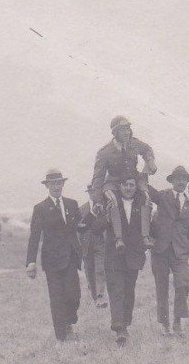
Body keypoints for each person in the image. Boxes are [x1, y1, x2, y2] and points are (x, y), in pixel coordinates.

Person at [25, 168, 83, 341]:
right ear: (47, 186)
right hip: (52, 261)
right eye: (53, 184)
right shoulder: (40, 208)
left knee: (74, 296)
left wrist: (95, 215)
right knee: (57, 298)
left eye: (59, 183)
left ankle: (68, 322)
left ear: (63, 184)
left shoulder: (72, 204)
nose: (56, 187)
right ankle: (61, 337)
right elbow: (34, 236)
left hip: (71, 259)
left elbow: (81, 227)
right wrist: (31, 262)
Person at [147, 166, 189, 336]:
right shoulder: (163, 196)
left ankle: (178, 321)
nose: (180, 182)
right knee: (161, 289)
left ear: (187, 182)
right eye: (177, 179)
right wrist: (142, 171)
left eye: (184, 179)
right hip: (160, 251)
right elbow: (148, 189)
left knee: (183, 283)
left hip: (180, 252)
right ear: (171, 181)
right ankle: (165, 325)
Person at [91, 115, 156, 251]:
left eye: (128, 128)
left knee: (146, 197)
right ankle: (118, 239)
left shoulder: (134, 143)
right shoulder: (105, 152)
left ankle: (145, 236)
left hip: (134, 179)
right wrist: (97, 200)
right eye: (122, 130)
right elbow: (98, 177)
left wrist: (150, 161)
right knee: (113, 200)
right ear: (115, 132)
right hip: (114, 181)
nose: (127, 132)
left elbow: (147, 149)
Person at [100, 173, 147, 346]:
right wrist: (105, 217)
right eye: (125, 184)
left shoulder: (142, 205)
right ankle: (119, 329)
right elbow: (96, 227)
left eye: (132, 185)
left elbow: (149, 228)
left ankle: (125, 324)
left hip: (133, 257)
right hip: (114, 257)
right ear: (119, 186)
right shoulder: (110, 203)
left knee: (129, 292)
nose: (129, 188)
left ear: (136, 187)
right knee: (116, 291)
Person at [77, 184, 108, 309]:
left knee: (100, 269)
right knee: (89, 271)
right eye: (90, 192)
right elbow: (79, 228)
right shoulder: (81, 209)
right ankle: (95, 297)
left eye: (95, 191)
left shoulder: (104, 207)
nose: (93, 194)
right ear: (88, 193)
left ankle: (100, 296)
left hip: (100, 242)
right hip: (86, 244)